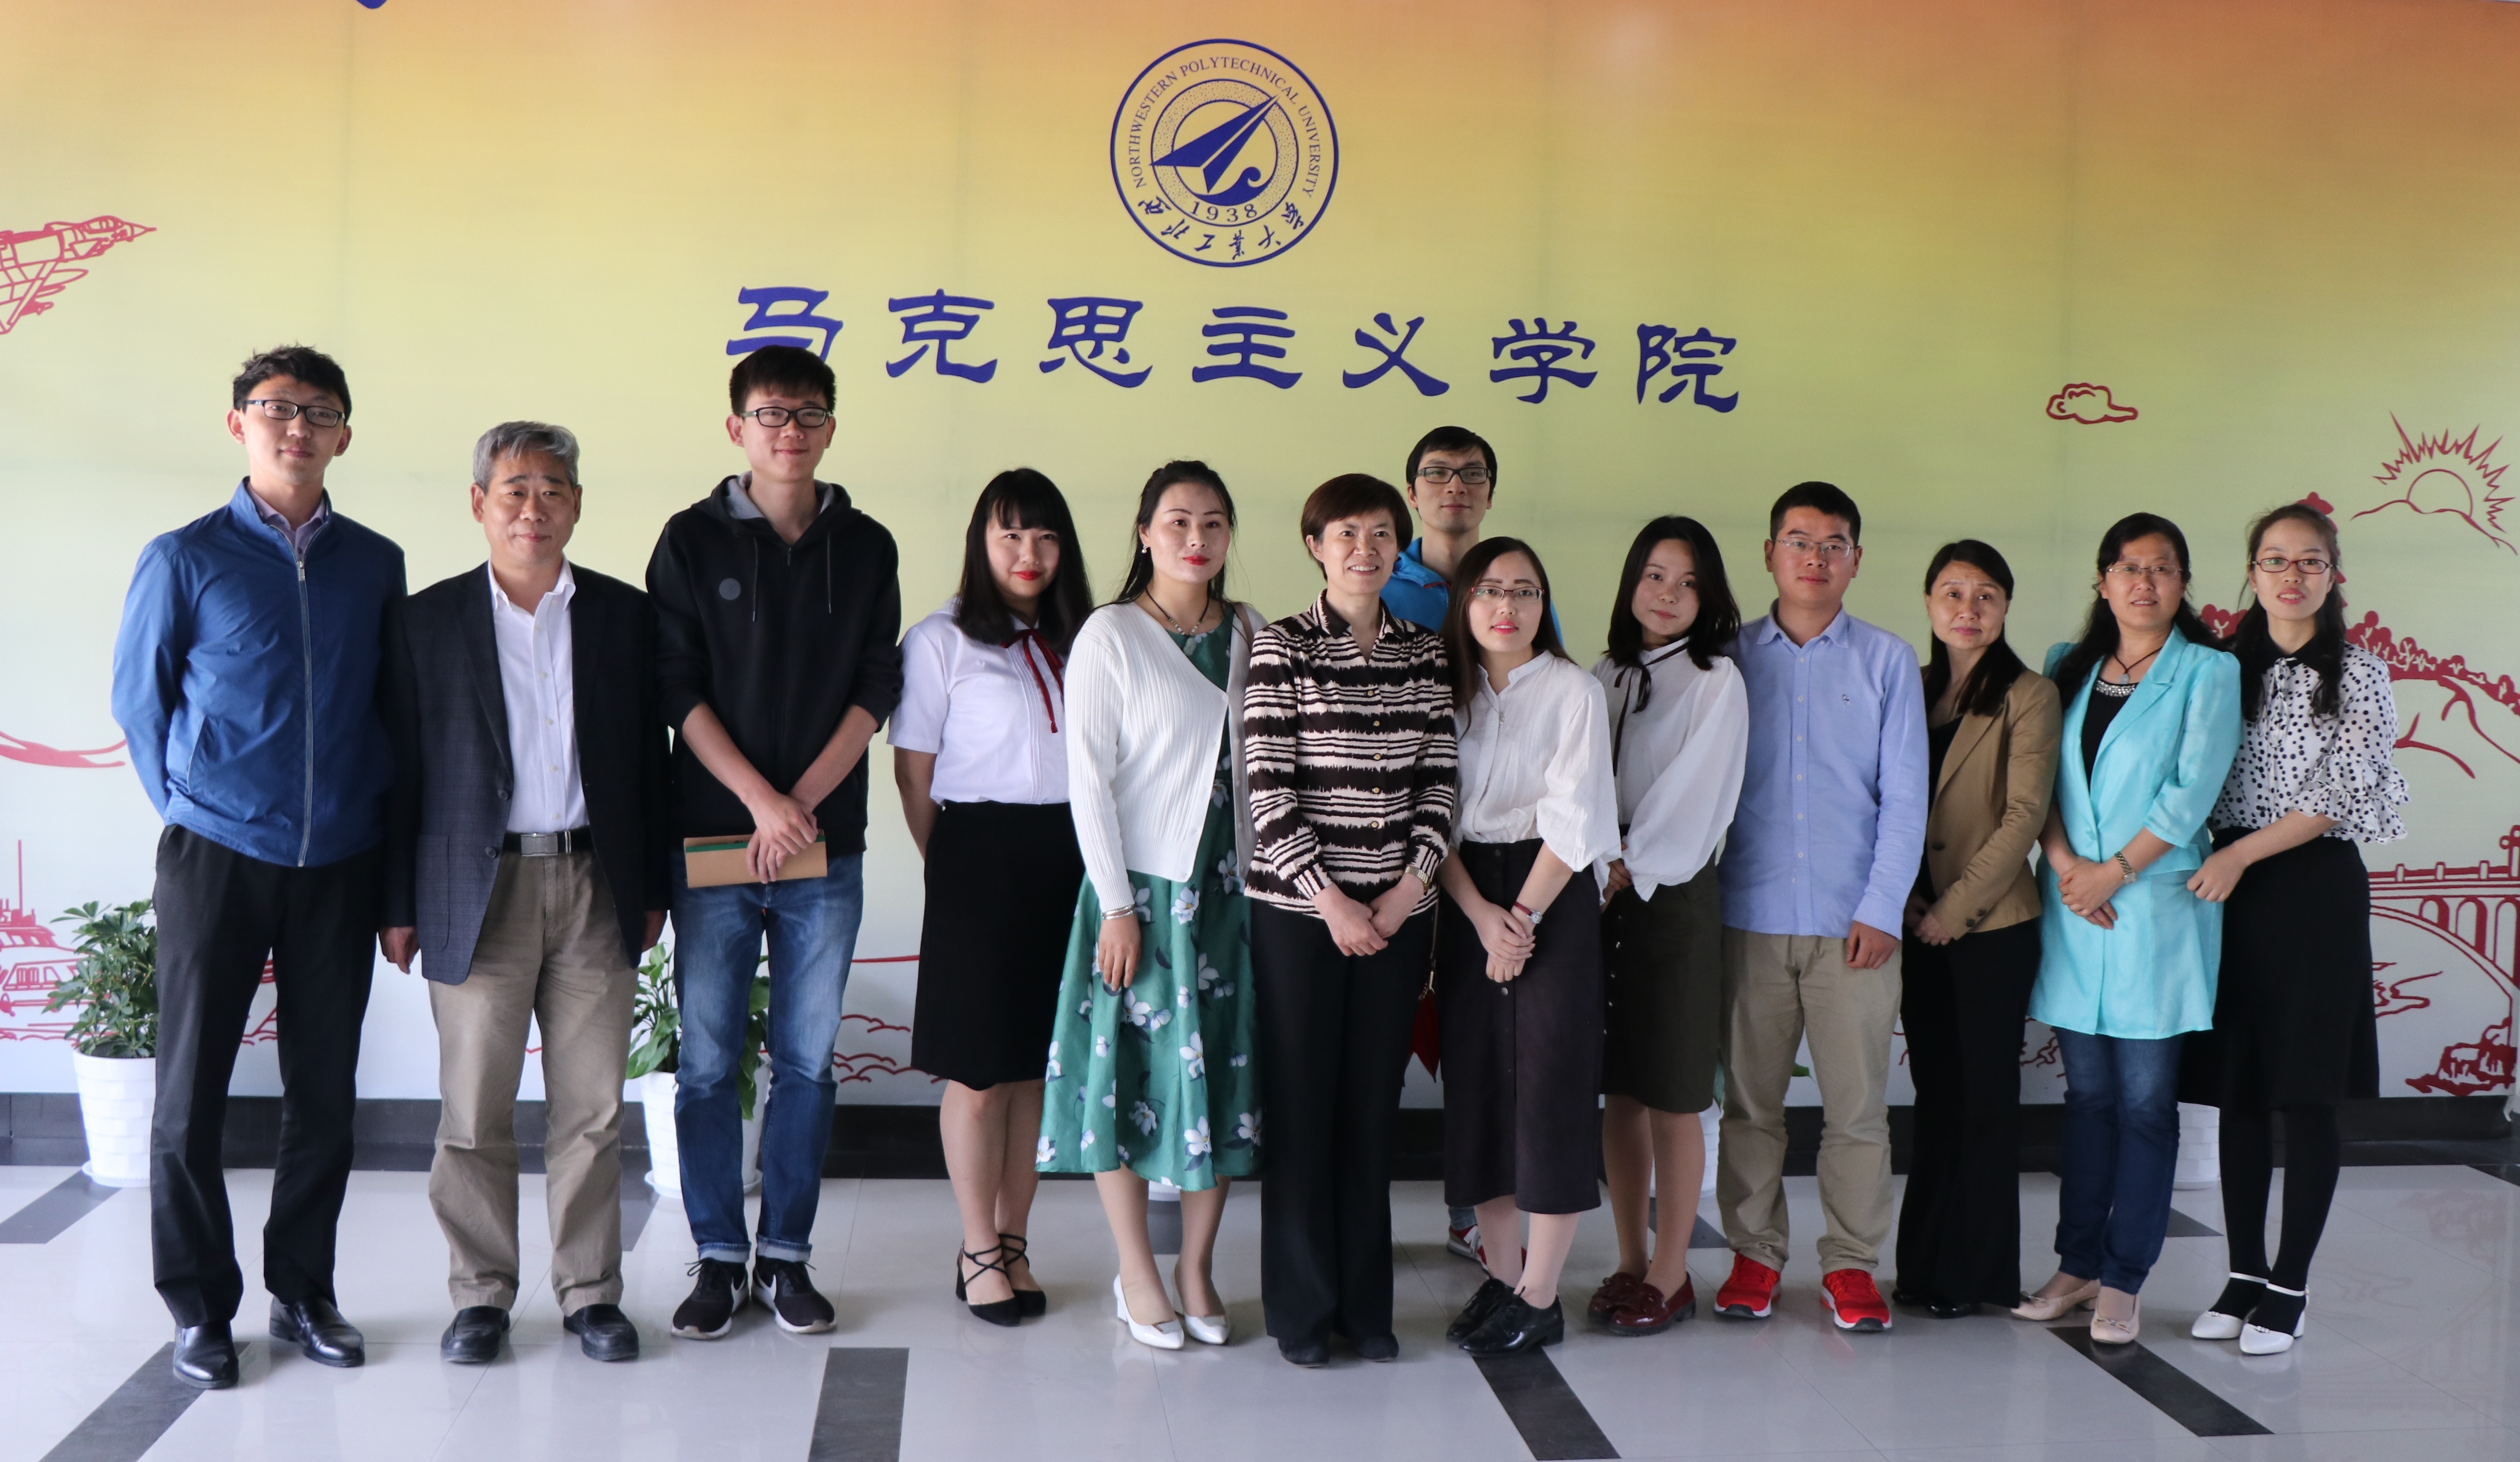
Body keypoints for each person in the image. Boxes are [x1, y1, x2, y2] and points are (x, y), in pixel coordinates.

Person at [109, 345, 407, 1389]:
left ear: (344, 436)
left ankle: (304, 1290)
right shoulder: (184, 556)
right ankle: (199, 1308)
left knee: (323, 1092)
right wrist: (199, 810)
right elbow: (141, 705)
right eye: (276, 408)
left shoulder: (375, 563)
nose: (296, 427)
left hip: (341, 858)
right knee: (189, 1094)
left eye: (318, 412)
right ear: (239, 423)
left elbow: (391, 713)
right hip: (218, 856)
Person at [378, 422, 670, 1365]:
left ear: (576, 504)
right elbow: (401, 770)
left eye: (552, 489)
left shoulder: (625, 616)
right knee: (474, 1110)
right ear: (480, 503)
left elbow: (651, 761)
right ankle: (481, 1295)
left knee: (593, 1109)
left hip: (596, 880)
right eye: (514, 489)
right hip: (475, 886)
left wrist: (653, 884)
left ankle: (590, 1292)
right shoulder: (425, 622)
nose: (532, 508)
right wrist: (397, 900)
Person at [645, 345, 902, 1339]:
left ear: (831, 427)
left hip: (825, 846)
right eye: (770, 414)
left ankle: (786, 1254)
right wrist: (761, 801)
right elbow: (675, 684)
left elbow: (876, 684)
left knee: (806, 1060)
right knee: (708, 1061)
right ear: (736, 428)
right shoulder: (689, 539)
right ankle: (718, 1255)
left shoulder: (866, 545)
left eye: (808, 414)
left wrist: (799, 804)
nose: (789, 431)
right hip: (714, 839)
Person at [1040, 461, 1263, 1352]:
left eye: (1213, 522)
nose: (1195, 538)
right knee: (1127, 1076)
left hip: (1233, 891)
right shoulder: (1111, 634)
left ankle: (1197, 1267)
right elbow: (1087, 781)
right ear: (1144, 533)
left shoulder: (1248, 628)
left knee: (1225, 1080)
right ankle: (1136, 1270)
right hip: (1142, 893)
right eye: (1177, 521)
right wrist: (1116, 905)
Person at [1243, 474, 1459, 1367]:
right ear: (1315, 546)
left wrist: (1408, 889)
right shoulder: (1280, 644)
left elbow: (1440, 780)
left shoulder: (1424, 651)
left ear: (1397, 549)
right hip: (1300, 915)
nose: (1362, 549)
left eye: (1379, 534)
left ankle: (1367, 1310)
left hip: (1397, 915)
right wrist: (1328, 898)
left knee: (1371, 1108)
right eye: (1344, 533)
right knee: (1302, 1106)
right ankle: (1302, 1311)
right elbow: (1265, 785)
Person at [2183, 503, 2407, 1354]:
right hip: (2228, 887)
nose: (2290, 575)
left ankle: (2289, 1285)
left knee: (2307, 1093)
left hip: (2311, 888)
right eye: (2273, 560)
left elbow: (2336, 795)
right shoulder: (2217, 667)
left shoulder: (2358, 673)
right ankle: (2242, 1274)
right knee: (2239, 1089)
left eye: (2308, 560)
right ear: (2251, 573)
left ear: (2332, 574)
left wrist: (2240, 857)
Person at [2013, 513, 2240, 1345]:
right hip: (2074, 903)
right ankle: (2075, 1263)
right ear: (2103, 582)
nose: (2144, 582)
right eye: (2128, 567)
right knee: (2088, 1099)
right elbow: (2036, 782)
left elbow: (2190, 790)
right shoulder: (2064, 665)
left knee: (2145, 1103)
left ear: (2182, 584)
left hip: (2152, 908)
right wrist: (2067, 865)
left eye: (2162, 568)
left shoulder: (2207, 670)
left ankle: (2123, 1277)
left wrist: (2113, 871)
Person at [1712, 482, 1926, 1334]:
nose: (1815, 557)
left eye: (1833, 543)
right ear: (1769, 553)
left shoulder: (1886, 660)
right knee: (1750, 1106)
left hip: (1854, 926)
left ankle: (1850, 1263)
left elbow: (1904, 798)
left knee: (1857, 1110)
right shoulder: (1727, 657)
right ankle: (1753, 1254)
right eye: (1798, 540)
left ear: (1856, 560)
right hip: (1749, 918)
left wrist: (1882, 907)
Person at [894, 469, 1091, 1326]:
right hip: (975, 853)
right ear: (981, 541)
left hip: (1071, 855)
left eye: (1044, 536)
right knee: (978, 1073)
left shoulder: (1087, 637)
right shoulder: (940, 638)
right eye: (1010, 534)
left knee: (1032, 1067)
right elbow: (913, 772)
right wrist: (946, 866)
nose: (1028, 552)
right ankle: (977, 1247)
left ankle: (1014, 1240)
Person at [1434, 538, 1622, 1356]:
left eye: (1524, 590)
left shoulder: (1575, 691)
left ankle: (1540, 1293)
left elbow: (1574, 818)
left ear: (1544, 605)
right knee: (1479, 1086)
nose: (1505, 606)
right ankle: (1502, 1276)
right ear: (1464, 604)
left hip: (1551, 891)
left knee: (1549, 1089)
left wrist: (1518, 920)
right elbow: (1431, 816)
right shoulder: (1445, 691)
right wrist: (1481, 917)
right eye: (1488, 590)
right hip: (1466, 894)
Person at [1889, 541, 2060, 1319]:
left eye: (1985, 594)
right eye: (1952, 593)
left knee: (1983, 1099)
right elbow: (1882, 798)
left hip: (1989, 927)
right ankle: (1923, 1266)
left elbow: (2024, 815)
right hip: (1913, 919)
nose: (1968, 609)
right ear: (1929, 603)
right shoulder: (1910, 686)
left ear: (2005, 607)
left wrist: (1950, 910)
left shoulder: (2027, 694)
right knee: (1935, 1095)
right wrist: (1903, 902)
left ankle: (1975, 1274)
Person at [1588, 517, 1748, 1336]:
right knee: (1620, 1088)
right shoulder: (1604, 673)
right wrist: (1596, 861)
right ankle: (1628, 1257)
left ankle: (1671, 1270)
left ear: (1707, 596)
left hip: (1670, 895)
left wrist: (1625, 863)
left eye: (1687, 583)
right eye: (1654, 576)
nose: (1668, 595)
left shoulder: (1716, 679)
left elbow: (1698, 793)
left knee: (1674, 1092)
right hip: (1597, 894)